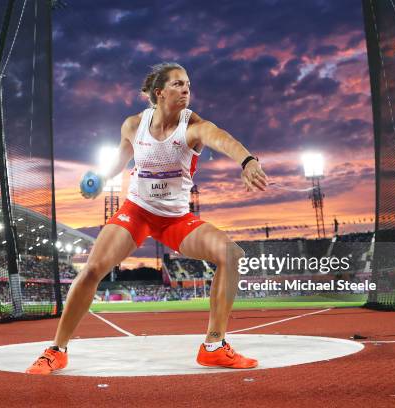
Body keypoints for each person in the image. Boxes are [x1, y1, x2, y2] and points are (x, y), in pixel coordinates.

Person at [26, 62, 268, 375]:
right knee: (91, 270)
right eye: (178, 84)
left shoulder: (193, 126)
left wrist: (247, 161)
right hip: (137, 212)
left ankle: (214, 346)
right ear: (159, 92)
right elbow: (119, 160)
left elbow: (221, 138)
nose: (186, 90)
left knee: (231, 254)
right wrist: (100, 178)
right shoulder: (132, 125)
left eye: (188, 85)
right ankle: (56, 350)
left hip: (175, 220)